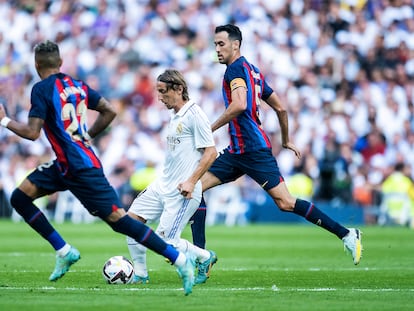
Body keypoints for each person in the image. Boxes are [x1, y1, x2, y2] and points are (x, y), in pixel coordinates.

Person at [0, 40, 195, 295]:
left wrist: (3, 120)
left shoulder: (41, 89)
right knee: (20, 197)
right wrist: (87, 135)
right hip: (66, 163)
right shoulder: (76, 85)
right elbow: (109, 110)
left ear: (37, 65)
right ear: (60, 63)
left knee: (119, 221)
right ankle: (64, 251)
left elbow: (32, 132)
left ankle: (181, 261)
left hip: (80, 167)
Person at [190, 24, 363, 265]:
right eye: (215, 45)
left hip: (253, 150)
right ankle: (201, 257)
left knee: (286, 203)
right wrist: (285, 139)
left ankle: (347, 233)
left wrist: (209, 129)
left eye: (221, 44)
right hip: (238, 151)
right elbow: (280, 107)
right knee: (194, 188)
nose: (217, 50)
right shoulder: (253, 71)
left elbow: (239, 104)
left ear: (235, 45)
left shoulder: (234, 70)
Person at [126, 69, 218, 285]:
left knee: (164, 242)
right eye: (158, 91)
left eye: (163, 91)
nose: (159, 97)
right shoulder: (175, 115)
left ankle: (205, 257)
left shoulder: (195, 115)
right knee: (129, 222)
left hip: (183, 192)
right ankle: (140, 274)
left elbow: (211, 153)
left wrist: (192, 181)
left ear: (178, 89)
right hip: (163, 185)